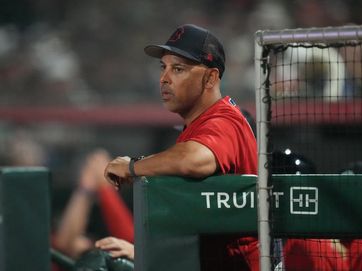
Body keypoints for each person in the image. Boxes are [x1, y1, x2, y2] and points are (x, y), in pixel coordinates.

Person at [98, 24, 258, 270]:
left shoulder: (223, 119)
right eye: (163, 67)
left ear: (211, 78)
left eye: (178, 69)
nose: (164, 78)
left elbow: (195, 159)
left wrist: (132, 166)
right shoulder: (201, 124)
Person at [53, 149, 134, 260]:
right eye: (90, 167)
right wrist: (85, 189)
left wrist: (105, 188)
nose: (98, 170)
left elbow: (130, 241)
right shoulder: (67, 197)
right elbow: (64, 244)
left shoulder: (130, 195)